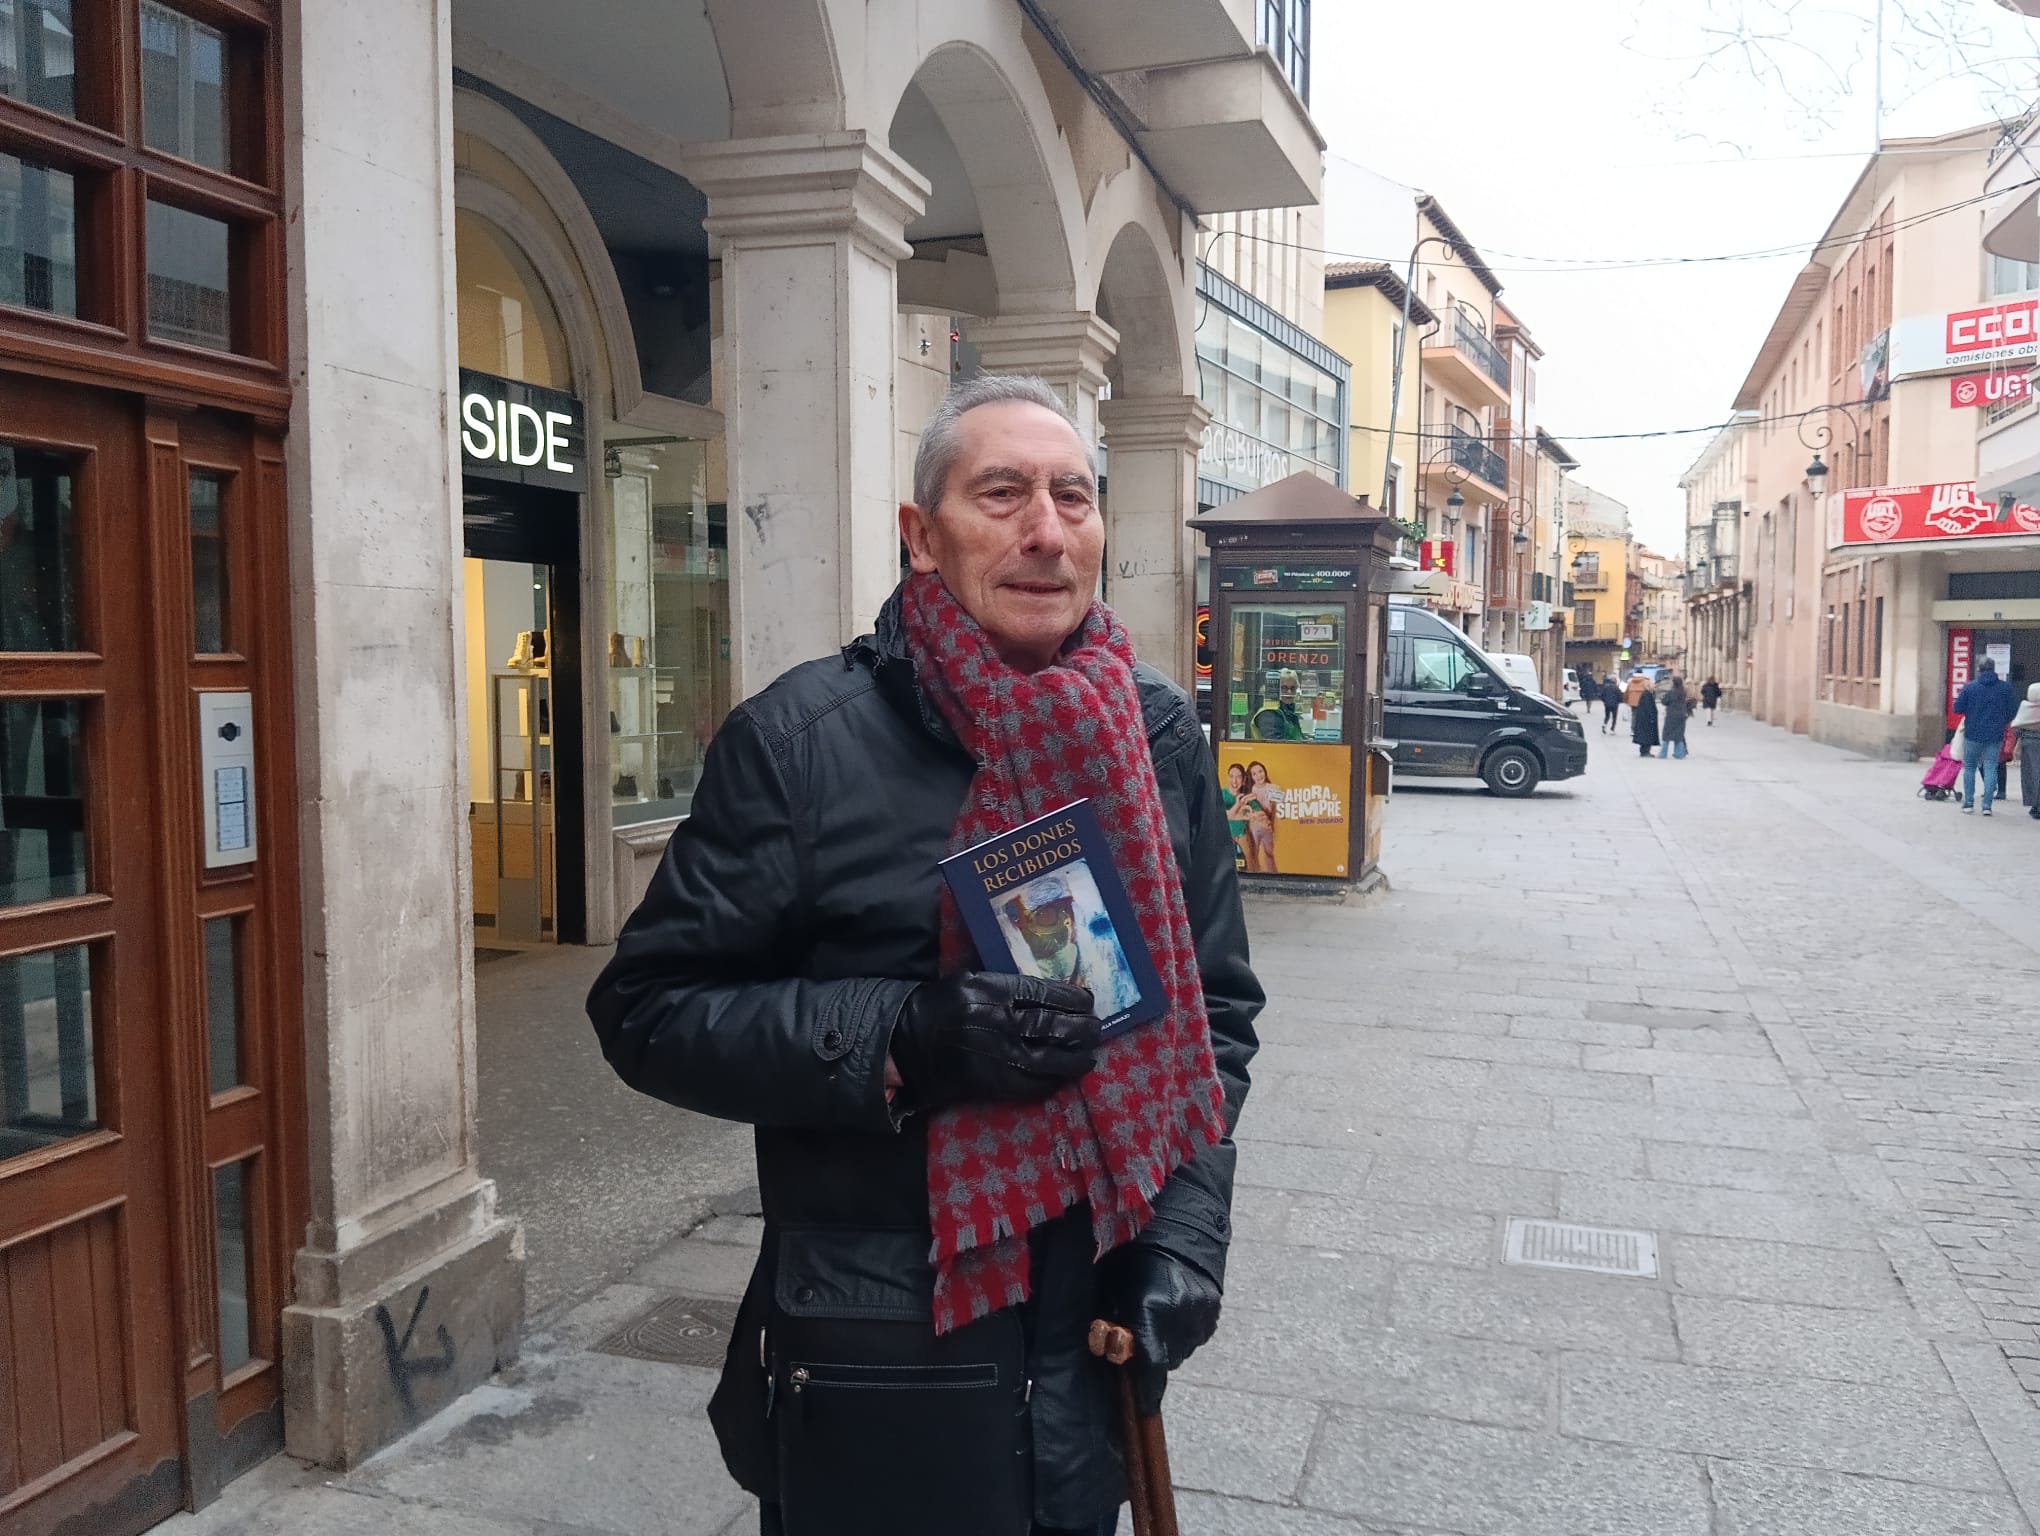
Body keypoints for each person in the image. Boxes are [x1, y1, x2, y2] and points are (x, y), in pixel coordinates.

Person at [585, 374, 1261, 1536]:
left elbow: (1213, 1021)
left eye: (1072, 497)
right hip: (880, 1359)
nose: (1047, 531)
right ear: (920, 535)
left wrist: (1183, 1243)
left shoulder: (1157, 740)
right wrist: (901, 1039)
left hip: (1091, 1356)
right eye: (1000, 494)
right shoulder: (799, 745)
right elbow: (646, 1008)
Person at [1952, 655, 2020, 815]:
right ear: (1994, 669)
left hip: (1972, 733)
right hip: (1995, 735)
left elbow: (1957, 708)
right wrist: (2002, 721)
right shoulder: (2005, 688)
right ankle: (1987, 806)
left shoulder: (1970, 687)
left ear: (1979, 669)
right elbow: (2013, 711)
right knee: (1990, 767)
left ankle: (1968, 803)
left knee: (1969, 768)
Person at [1243, 760, 1281, 874]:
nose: (1258, 775)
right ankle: (1254, 875)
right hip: (1253, 826)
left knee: (1269, 853)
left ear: (1265, 771)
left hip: (1267, 826)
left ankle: (1273, 876)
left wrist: (1272, 825)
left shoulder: (1274, 788)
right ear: (1251, 777)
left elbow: (1276, 810)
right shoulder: (1250, 790)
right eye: (1254, 774)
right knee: (1253, 853)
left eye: (1260, 771)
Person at [2015, 682, 2040, 820]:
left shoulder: (2025, 707)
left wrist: (2017, 746)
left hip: (2028, 743)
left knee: (2031, 775)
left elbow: (2018, 726)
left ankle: (2035, 804)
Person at [1221, 762, 1254, 868]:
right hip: (1223, 839)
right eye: (1231, 776)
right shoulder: (1220, 794)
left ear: (1244, 780)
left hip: (1242, 837)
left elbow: (1256, 815)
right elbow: (1219, 815)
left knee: (1249, 866)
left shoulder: (1247, 797)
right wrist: (1237, 809)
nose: (1234, 781)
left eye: (1238, 777)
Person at [1659, 677, 1690, 760]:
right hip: (1681, 715)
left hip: (1671, 715)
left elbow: (1664, 701)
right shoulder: (1683, 693)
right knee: (1679, 735)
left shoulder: (1671, 692)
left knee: (1667, 735)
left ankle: (1663, 754)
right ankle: (1679, 754)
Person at [1632, 683, 1661, 758]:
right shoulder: (1647, 695)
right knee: (1647, 736)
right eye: (1654, 687)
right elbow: (1649, 708)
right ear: (1649, 687)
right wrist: (1651, 718)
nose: (1655, 688)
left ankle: (1644, 751)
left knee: (1645, 735)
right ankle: (1645, 752)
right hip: (1646, 720)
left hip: (1644, 719)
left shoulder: (1646, 694)